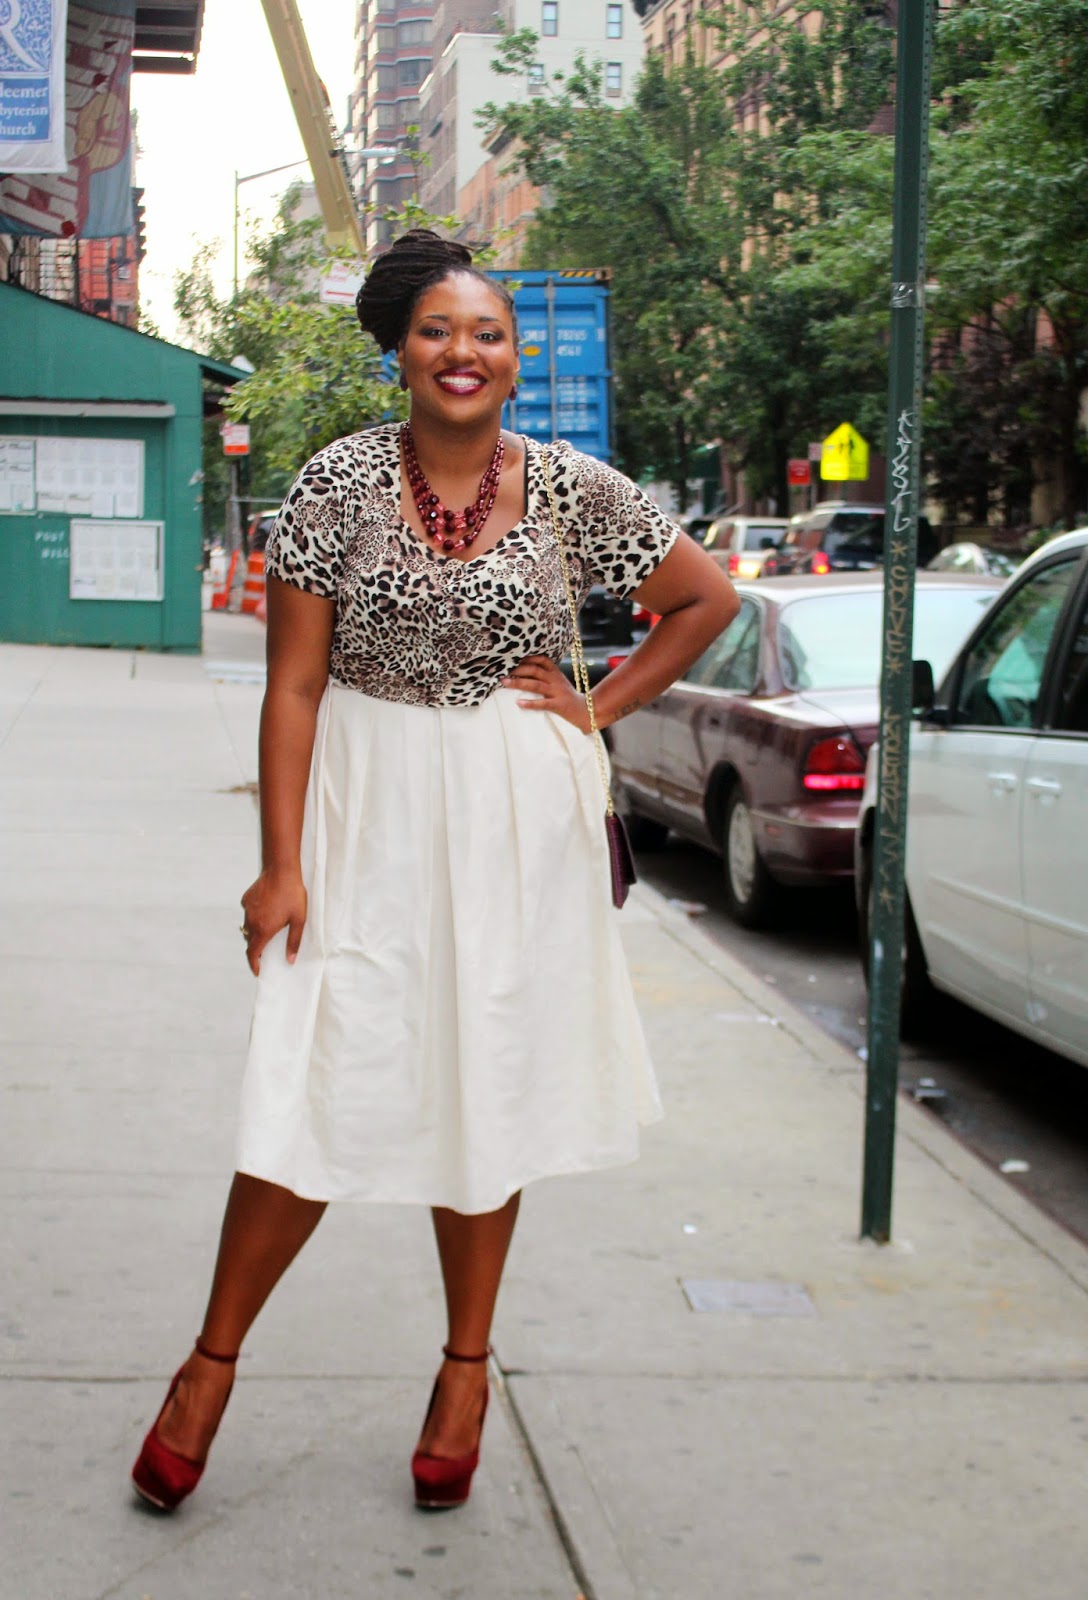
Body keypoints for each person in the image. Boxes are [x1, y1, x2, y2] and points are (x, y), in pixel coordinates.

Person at [131, 229, 738, 1515]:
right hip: (367, 803)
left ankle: (464, 1372)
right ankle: (208, 1365)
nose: (463, 353)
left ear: (515, 365)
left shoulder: (576, 489)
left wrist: (597, 704)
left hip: (516, 810)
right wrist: (278, 866)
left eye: (488, 336)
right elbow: (292, 684)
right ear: (399, 350)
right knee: (310, 1077)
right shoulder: (335, 485)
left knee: (488, 1082)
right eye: (437, 332)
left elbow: (703, 598)